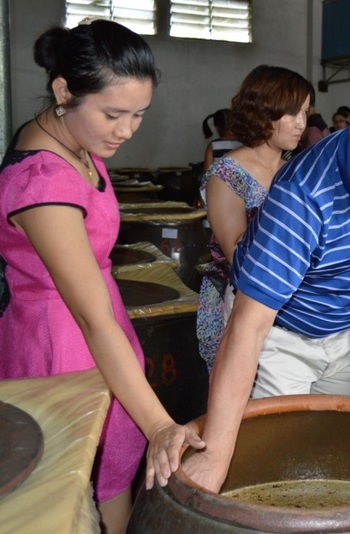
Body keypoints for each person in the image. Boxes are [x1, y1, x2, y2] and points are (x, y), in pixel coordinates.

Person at [182, 75, 350, 492]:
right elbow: (248, 327)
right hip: (283, 339)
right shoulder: (303, 198)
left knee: (336, 446)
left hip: (349, 329)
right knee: (273, 458)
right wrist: (215, 455)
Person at [0, 20, 203, 533]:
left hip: (104, 341)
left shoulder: (78, 143)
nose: (127, 130)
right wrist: (159, 424)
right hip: (62, 352)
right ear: (63, 92)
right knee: (74, 490)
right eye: (113, 114)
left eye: (139, 114)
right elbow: (91, 319)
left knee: (110, 483)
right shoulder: (42, 182)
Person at [196, 66, 312, 370]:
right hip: (243, 299)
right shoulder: (228, 174)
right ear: (263, 111)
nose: (301, 124)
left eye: (305, 112)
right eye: (292, 113)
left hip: (292, 300)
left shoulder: (297, 170)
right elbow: (237, 255)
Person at [201, 108, 241, 173]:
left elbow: (207, 173)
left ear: (217, 127)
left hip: (218, 179)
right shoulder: (245, 144)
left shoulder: (213, 146)